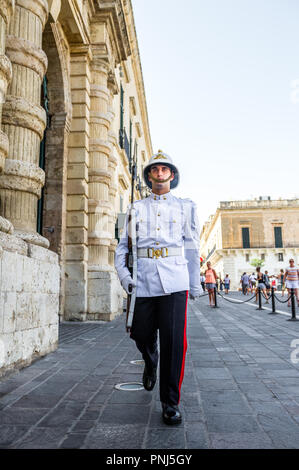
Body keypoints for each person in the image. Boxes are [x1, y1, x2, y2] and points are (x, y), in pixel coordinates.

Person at [115, 150, 202, 426]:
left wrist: (194, 283)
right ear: (149, 175)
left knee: (175, 343)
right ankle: (150, 357)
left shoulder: (186, 207)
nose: (160, 171)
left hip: (175, 280)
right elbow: (122, 249)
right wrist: (125, 278)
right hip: (144, 280)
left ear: (172, 175)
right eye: (155, 168)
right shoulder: (134, 209)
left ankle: (170, 402)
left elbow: (191, 247)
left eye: (165, 168)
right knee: (140, 333)